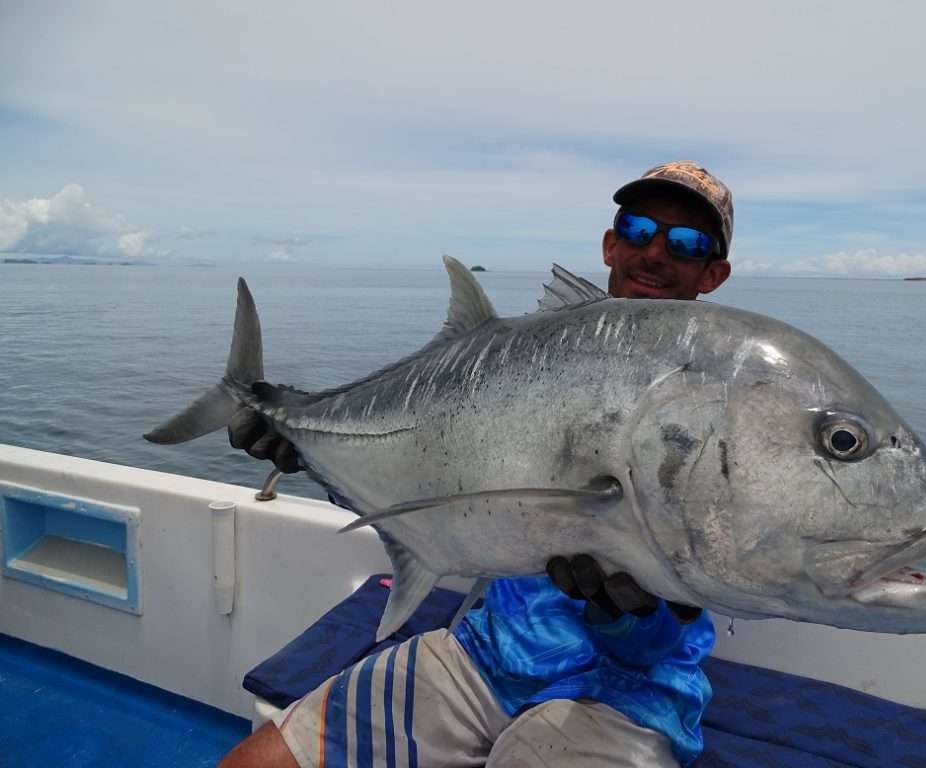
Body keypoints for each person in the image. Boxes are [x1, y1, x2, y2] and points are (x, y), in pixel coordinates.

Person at [219, 161, 733, 768]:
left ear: (713, 273)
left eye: (686, 242)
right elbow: (428, 483)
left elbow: (678, 618)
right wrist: (305, 450)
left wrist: (630, 620)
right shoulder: (526, 367)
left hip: (631, 695)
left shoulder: (722, 404)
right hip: (485, 654)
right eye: (639, 229)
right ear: (610, 244)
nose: (655, 252)